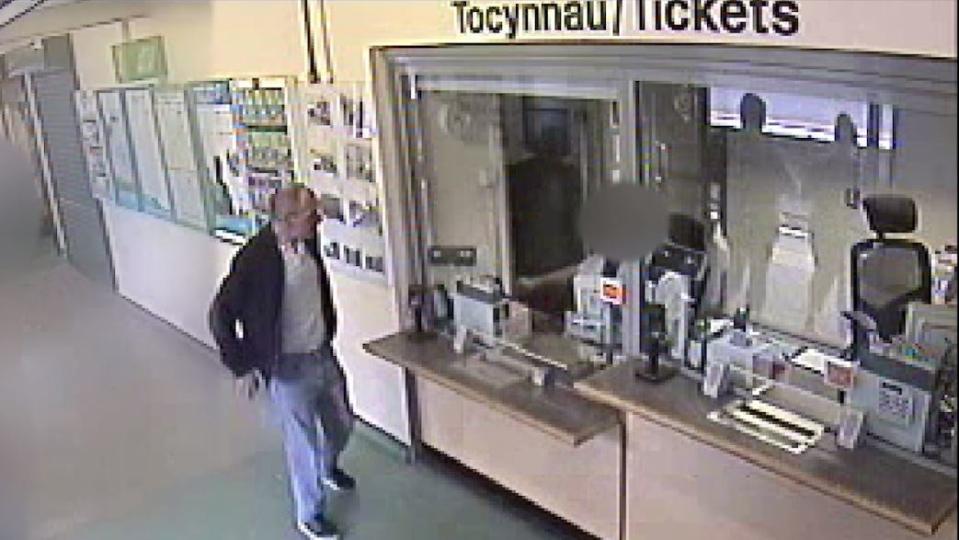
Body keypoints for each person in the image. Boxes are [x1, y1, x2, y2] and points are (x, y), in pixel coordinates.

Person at [209, 186, 354, 540]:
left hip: (321, 354)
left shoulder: (308, 243)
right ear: (288, 221)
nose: (318, 219)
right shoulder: (255, 258)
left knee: (342, 423)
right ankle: (310, 515)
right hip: (287, 369)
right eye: (311, 215)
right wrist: (241, 365)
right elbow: (220, 313)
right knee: (302, 443)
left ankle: (328, 467)